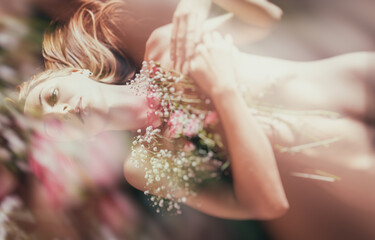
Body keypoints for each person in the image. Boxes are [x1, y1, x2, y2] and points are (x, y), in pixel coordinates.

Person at [18, 0, 375, 221]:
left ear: (73, 73)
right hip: (359, 161)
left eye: (53, 96)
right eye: (54, 124)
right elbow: (267, 206)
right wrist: (224, 91)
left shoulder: (163, 46)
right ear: (79, 138)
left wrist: (199, 2)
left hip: (360, 80)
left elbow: (266, 19)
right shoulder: (144, 165)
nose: (62, 110)